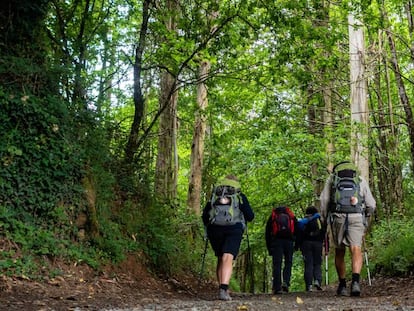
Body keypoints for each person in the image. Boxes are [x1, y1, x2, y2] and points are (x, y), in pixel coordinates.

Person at [320, 161, 376, 297]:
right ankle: (355, 283)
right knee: (356, 248)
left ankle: (343, 285)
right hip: (356, 215)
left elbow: (324, 200)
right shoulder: (360, 179)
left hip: (338, 216)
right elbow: (371, 204)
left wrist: (324, 219)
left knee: (340, 250)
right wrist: (366, 215)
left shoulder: (332, 179)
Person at [202, 175, 254, 301]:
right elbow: (250, 216)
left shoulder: (215, 195)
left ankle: (221, 287)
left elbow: (205, 215)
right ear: (236, 184)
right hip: (234, 229)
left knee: (221, 258)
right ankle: (224, 289)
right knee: (228, 257)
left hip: (214, 229)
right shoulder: (239, 196)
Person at [265, 205, 297, 294]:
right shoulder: (291, 216)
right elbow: (297, 230)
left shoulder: (273, 216)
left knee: (277, 264)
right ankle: (286, 282)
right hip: (289, 241)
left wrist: (269, 248)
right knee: (288, 262)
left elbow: (267, 233)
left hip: (277, 242)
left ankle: (277, 287)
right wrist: (296, 243)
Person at [296, 206, 326, 292]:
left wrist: (298, 245)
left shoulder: (304, 221)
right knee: (317, 263)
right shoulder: (319, 220)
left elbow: (299, 234)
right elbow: (323, 231)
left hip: (306, 244)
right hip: (318, 243)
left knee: (308, 264)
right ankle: (317, 281)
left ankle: (309, 285)